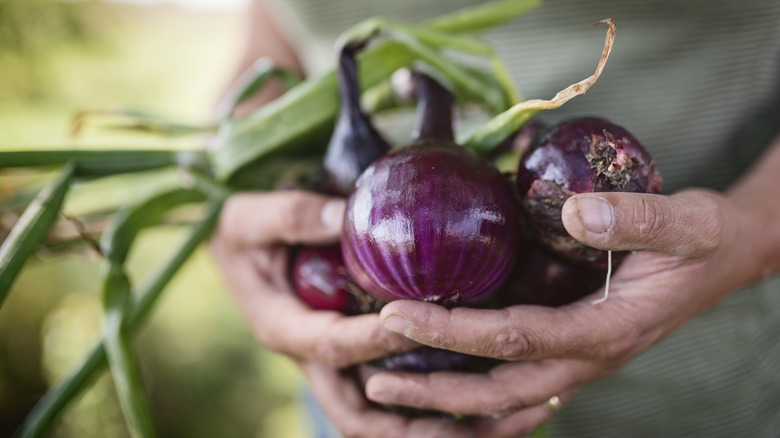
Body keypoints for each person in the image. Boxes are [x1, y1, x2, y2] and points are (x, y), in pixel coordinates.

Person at [211, 0, 780, 436]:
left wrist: (754, 231)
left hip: (697, 371)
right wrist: (232, 194)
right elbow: (273, 37)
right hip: (368, 381)